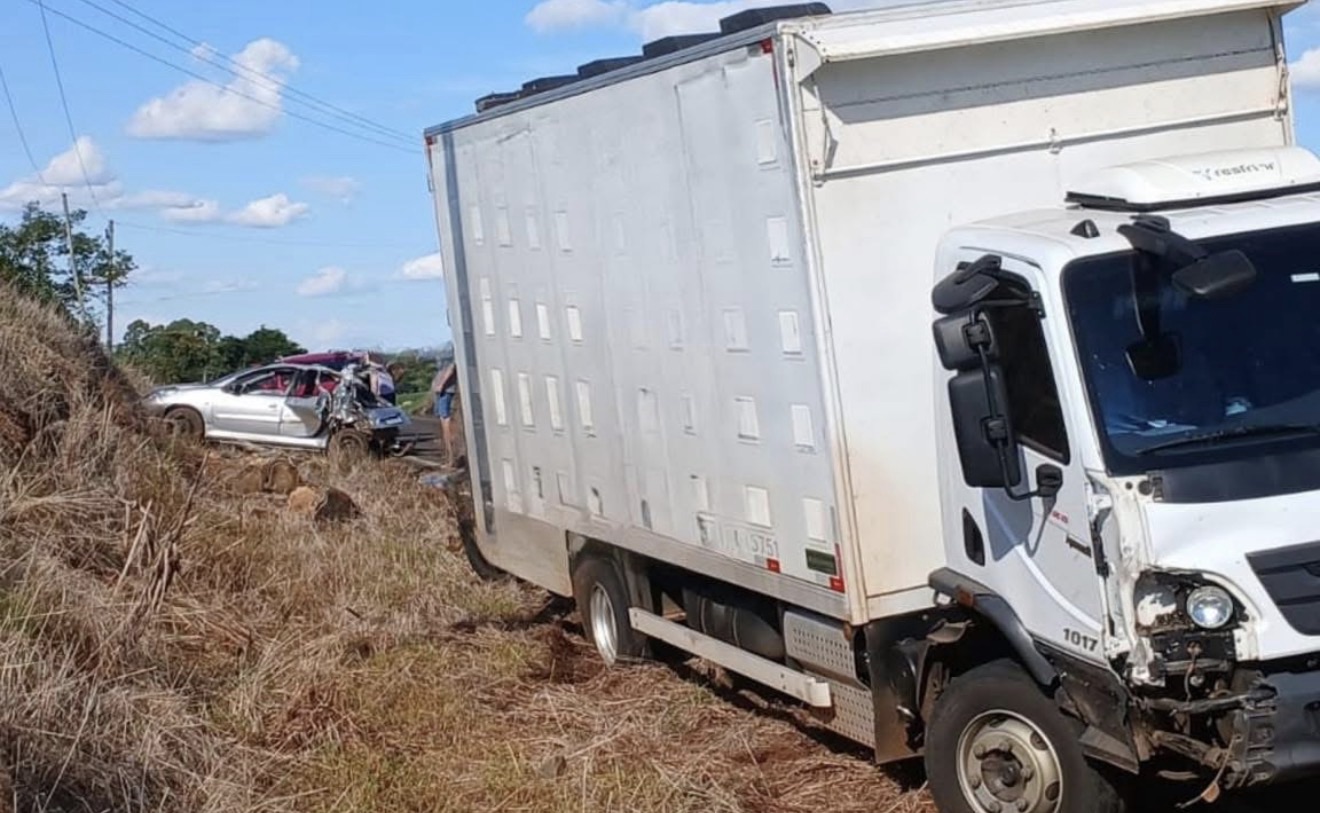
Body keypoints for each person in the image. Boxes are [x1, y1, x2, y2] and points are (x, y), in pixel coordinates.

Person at [432, 360, 459, 464]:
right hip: (441, 392)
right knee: (443, 424)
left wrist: (441, 385)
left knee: (446, 425)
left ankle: (451, 459)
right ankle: (449, 457)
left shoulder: (449, 355)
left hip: (445, 391)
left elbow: (451, 368)